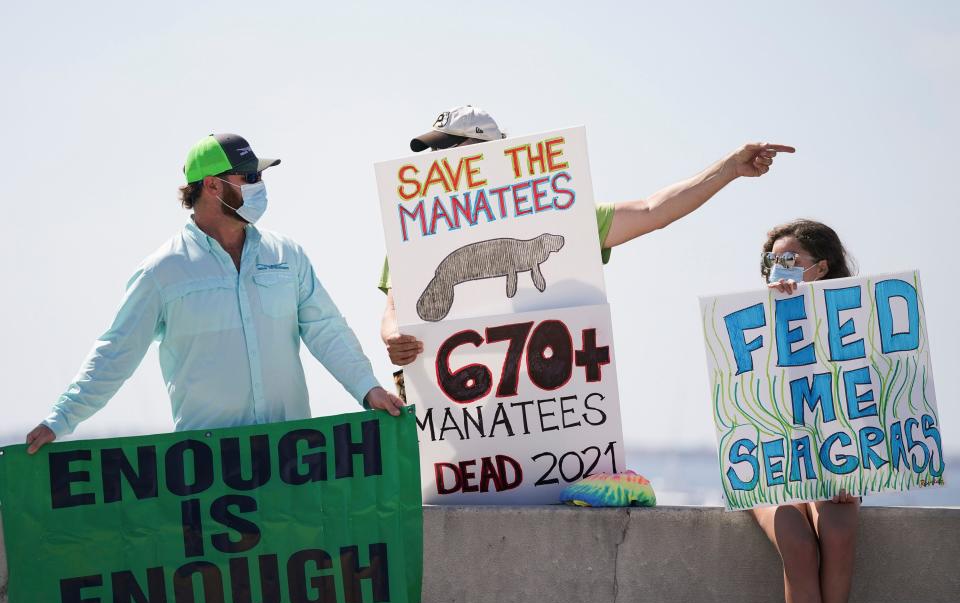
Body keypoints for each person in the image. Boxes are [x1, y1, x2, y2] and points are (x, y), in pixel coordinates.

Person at [26, 133, 403, 455]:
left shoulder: (288, 255)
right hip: (208, 468)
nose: (260, 186)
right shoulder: (162, 272)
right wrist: (60, 421)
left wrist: (368, 390)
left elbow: (327, 330)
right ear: (211, 185)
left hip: (291, 457)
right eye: (250, 176)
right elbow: (115, 353)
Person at [380, 105, 796, 367]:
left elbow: (654, 211)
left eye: (448, 151)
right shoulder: (416, 226)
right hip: (449, 396)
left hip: (533, 394)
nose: (436, 164)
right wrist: (392, 336)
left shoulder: (560, 219)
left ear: (485, 154)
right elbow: (395, 308)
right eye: (435, 154)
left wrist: (728, 168)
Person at [755, 218, 859, 603]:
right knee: (797, 543)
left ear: (822, 267)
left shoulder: (853, 323)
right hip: (769, 460)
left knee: (837, 533)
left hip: (832, 460)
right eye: (773, 260)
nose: (779, 267)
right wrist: (772, 312)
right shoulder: (751, 315)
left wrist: (856, 468)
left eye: (790, 259)